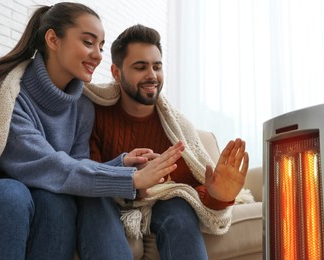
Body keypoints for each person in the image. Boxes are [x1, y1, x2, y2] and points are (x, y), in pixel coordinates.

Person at [0, 4, 184, 260]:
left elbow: (74, 167)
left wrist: (121, 164)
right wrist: (130, 179)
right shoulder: (5, 94)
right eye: (88, 42)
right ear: (52, 39)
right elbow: (47, 166)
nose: (98, 55)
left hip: (47, 195)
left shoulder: (83, 106)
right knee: (11, 193)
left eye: (101, 46)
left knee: (57, 202)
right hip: (0, 195)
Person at [86, 24, 253, 260]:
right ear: (116, 72)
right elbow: (86, 174)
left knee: (179, 209)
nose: (152, 75)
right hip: (111, 204)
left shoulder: (176, 128)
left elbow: (191, 190)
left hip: (166, 204)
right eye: (140, 67)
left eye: (157, 66)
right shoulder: (94, 113)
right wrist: (134, 185)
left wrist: (220, 195)